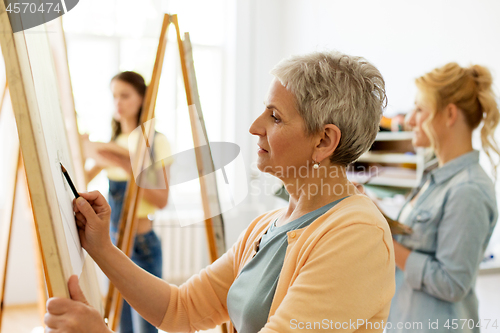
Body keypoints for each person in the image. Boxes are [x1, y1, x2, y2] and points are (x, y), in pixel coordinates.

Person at [45, 51, 395, 333]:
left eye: (274, 116)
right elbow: (180, 309)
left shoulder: (356, 235)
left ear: (324, 140)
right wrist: (100, 247)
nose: (254, 126)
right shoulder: (268, 225)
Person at [387, 63, 499, 333]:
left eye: (420, 109)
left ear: (449, 114)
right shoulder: (432, 176)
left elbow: (452, 283)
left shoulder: (468, 190)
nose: (410, 119)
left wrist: (387, 244)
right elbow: (412, 237)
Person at [85, 71, 172, 333]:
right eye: (114, 96)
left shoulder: (155, 141)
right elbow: (79, 176)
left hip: (141, 247)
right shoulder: (113, 143)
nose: (118, 103)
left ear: (142, 99)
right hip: (113, 245)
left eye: (125, 95)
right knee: (120, 326)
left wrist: (126, 163)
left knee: (145, 328)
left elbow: (161, 199)